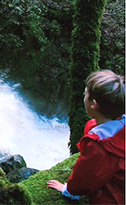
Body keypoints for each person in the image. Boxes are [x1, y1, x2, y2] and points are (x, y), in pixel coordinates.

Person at [47, 69, 125, 204]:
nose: (83, 98)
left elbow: (84, 177)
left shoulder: (99, 145)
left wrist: (69, 190)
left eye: (85, 94)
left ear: (94, 104)